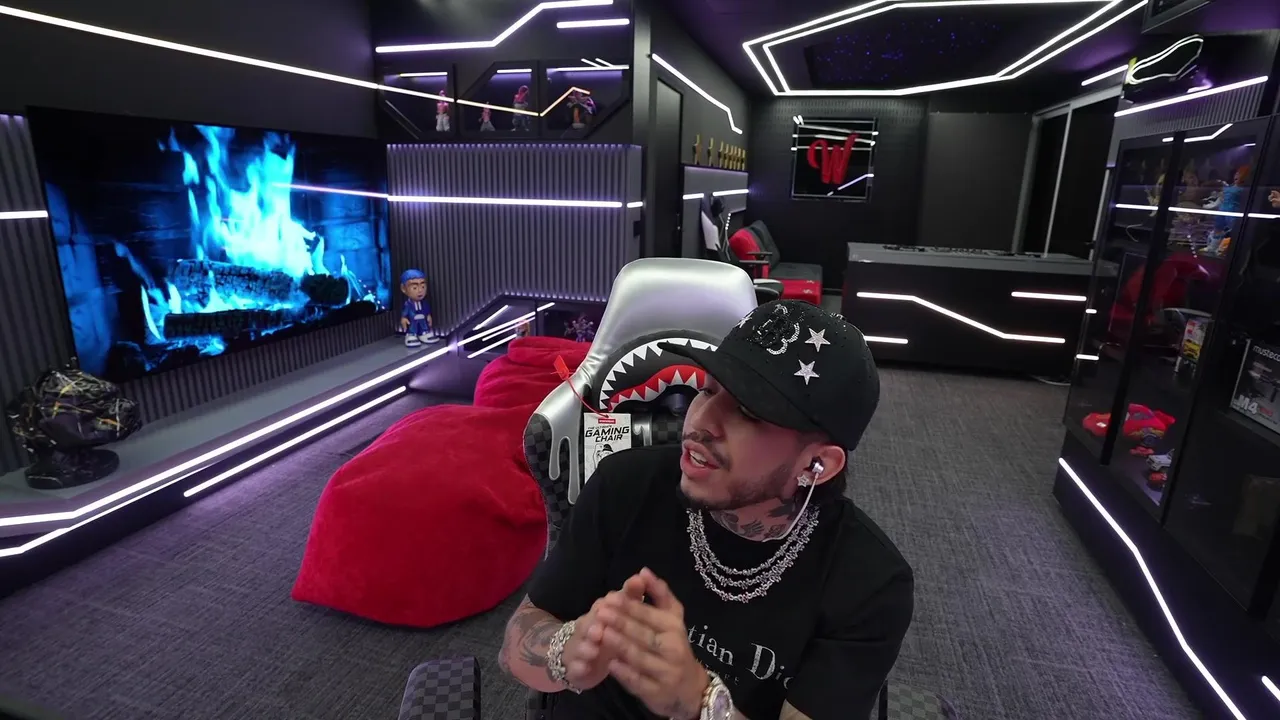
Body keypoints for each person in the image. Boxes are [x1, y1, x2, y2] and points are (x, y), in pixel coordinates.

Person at [499, 300, 914, 720]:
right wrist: (568, 650)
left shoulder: (869, 582)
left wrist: (699, 702)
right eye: (707, 389)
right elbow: (515, 645)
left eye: (748, 412)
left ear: (815, 464)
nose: (699, 421)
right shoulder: (624, 483)